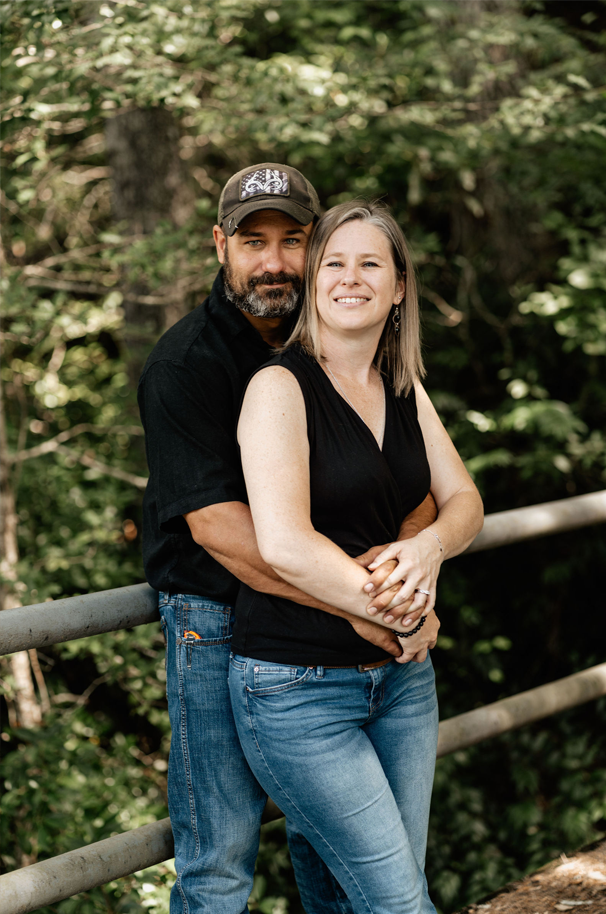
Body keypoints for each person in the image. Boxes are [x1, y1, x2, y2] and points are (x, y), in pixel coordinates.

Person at [138, 166, 438, 914]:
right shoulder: (184, 365)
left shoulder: (347, 348)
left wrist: (409, 575)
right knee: (220, 860)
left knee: (331, 853)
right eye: (253, 242)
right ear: (220, 246)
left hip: (331, 623)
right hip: (214, 619)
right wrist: (369, 607)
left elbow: (415, 484)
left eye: (293, 241)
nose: (273, 262)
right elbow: (221, 530)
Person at [229, 200, 484, 914]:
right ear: (313, 281)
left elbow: (465, 500)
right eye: (334, 263)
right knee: (398, 903)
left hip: (402, 686)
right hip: (295, 688)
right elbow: (284, 544)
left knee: (350, 899)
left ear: (399, 287)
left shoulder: (401, 387)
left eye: (371, 263)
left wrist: (428, 548)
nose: (350, 278)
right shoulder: (278, 388)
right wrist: (406, 614)